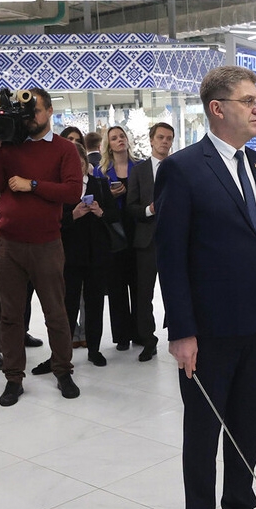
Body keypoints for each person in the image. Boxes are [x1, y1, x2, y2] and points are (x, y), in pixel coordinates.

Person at [155, 65, 256, 509]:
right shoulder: (183, 169)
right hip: (208, 329)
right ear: (218, 109)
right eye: (249, 100)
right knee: (203, 432)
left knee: (250, 423)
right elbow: (170, 256)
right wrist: (182, 331)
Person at [0, 87, 83, 406]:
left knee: (56, 313)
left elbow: (72, 192)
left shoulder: (65, 149)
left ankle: (62, 371)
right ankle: (13, 378)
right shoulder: (10, 146)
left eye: (35, 111)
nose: (30, 117)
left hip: (47, 244)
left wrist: (34, 185)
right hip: (8, 243)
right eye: (26, 113)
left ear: (50, 111)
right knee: (10, 315)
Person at [60, 142, 115, 367]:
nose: (77, 166)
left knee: (95, 304)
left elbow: (114, 215)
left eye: (80, 162)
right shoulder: (61, 188)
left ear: (85, 162)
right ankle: (62, 354)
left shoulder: (99, 184)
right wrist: (73, 215)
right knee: (68, 305)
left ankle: (94, 349)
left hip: (97, 254)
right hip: (70, 256)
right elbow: (52, 221)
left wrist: (100, 212)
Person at [126, 122, 174, 362]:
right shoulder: (139, 171)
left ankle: (179, 336)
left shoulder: (179, 167)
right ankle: (148, 340)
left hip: (174, 240)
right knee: (144, 295)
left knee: (175, 292)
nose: (165, 141)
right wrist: (149, 210)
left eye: (169, 138)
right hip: (146, 241)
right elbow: (131, 207)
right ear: (152, 140)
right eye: (161, 137)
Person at [93, 126, 138, 351]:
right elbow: (96, 202)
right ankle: (122, 335)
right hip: (112, 231)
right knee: (116, 286)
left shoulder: (139, 166)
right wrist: (109, 196)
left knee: (138, 286)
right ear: (108, 145)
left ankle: (140, 332)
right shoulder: (101, 171)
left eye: (122, 136)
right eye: (114, 138)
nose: (119, 140)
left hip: (136, 229)